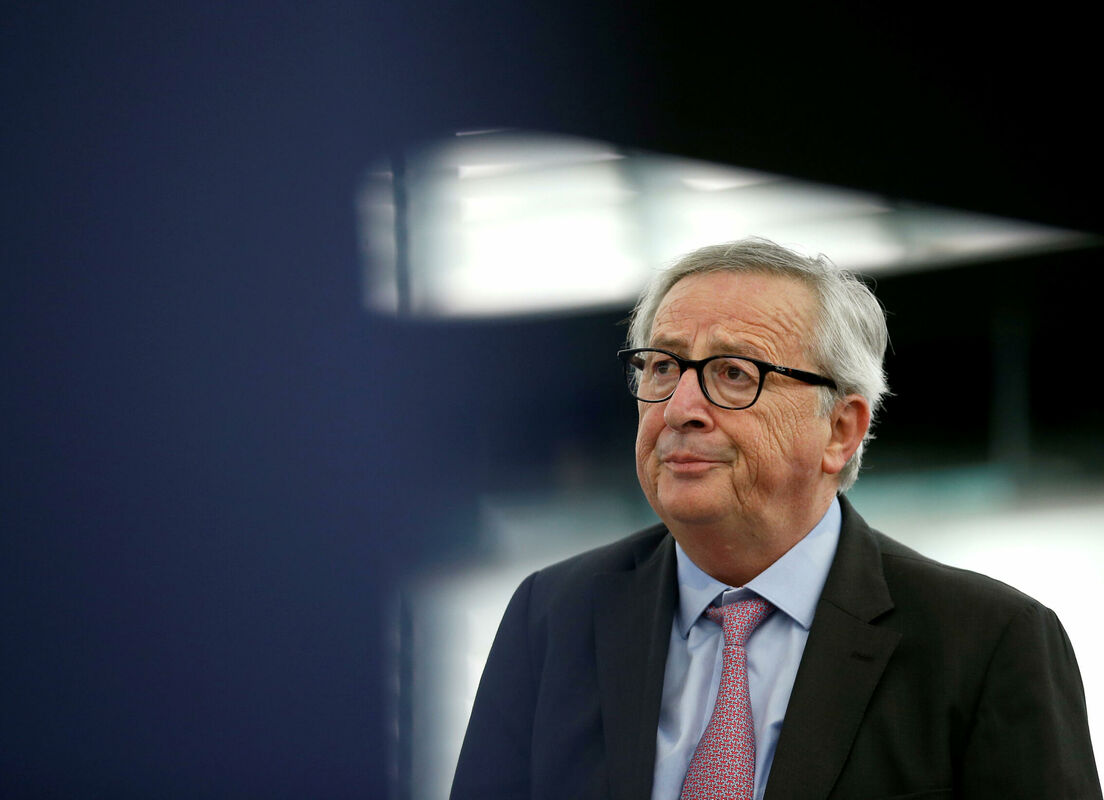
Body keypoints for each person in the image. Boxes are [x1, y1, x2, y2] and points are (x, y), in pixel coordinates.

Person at [449, 238, 1101, 799]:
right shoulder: (553, 616)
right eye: (663, 367)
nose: (680, 408)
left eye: (734, 373)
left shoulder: (988, 643)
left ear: (840, 431)